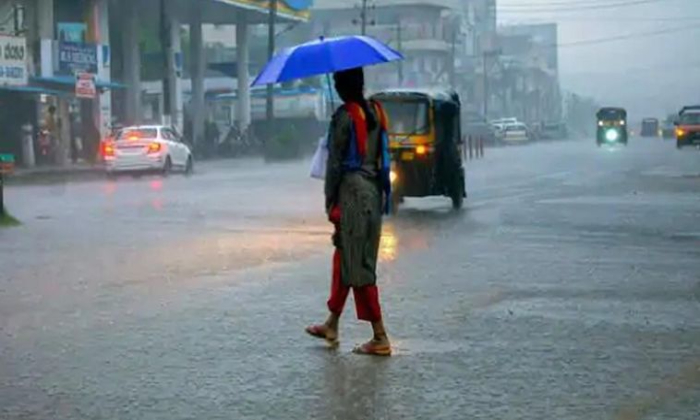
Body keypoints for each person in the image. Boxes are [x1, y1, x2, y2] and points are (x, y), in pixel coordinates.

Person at [305, 67, 393, 356]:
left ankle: (380, 336)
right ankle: (332, 323)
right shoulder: (377, 111)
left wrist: (330, 200)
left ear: (342, 87)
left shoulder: (344, 117)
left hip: (352, 195)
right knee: (346, 256)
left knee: (359, 265)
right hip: (373, 193)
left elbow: (334, 164)